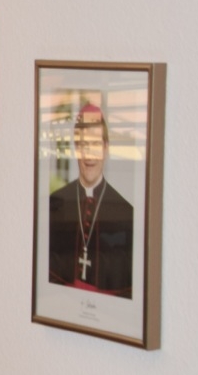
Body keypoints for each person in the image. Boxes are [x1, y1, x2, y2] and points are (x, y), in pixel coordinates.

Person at [46, 101, 133, 297]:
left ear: (106, 148)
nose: (89, 155)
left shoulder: (126, 213)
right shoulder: (54, 206)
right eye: (84, 144)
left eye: (95, 144)